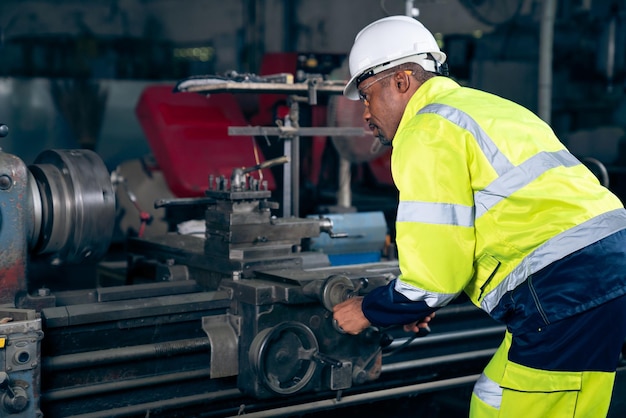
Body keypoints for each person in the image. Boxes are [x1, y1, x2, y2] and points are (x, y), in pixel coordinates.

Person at [333, 15, 626, 418]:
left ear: (401, 81)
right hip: (596, 268)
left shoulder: (424, 131)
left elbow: (434, 278)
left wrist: (367, 310)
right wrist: (418, 302)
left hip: (563, 287)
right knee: (496, 396)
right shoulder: (483, 106)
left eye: (367, 95)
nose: (365, 113)